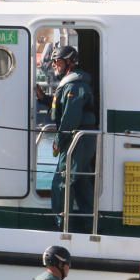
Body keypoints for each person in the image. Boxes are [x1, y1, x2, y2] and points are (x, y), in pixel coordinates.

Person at [39, 45, 97, 231]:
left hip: (76, 139)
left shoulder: (74, 85)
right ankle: (90, 224)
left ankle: (62, 226)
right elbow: (63, 107)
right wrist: (44, 99)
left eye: (58, 61)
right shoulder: (71, 83)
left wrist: (58, 142)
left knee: (62, 181)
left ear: (70, 62)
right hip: (81, 140)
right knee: (80, 182)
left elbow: (70, 117)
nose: (55, 64)